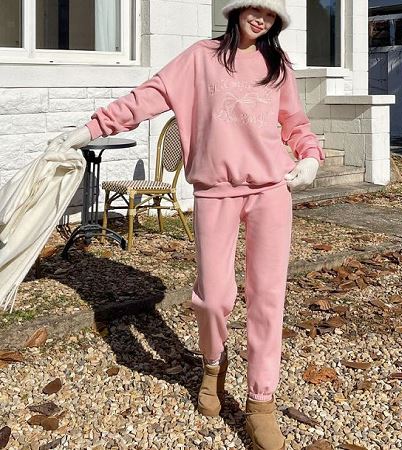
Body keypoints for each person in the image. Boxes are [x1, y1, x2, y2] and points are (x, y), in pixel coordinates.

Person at [48, 1, 325, 448]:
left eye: (270, 14)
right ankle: (213, 365)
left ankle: (261, 403)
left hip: (271, 191)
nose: (261, 18)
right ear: (236, 10)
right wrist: (91, 129)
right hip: (215, 192)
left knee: (267, 297)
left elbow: (294, 121)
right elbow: (147, 97)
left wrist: (310, 154)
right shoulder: (200, 58)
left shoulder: (278, 65)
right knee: (214, 298)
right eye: (254, 8)